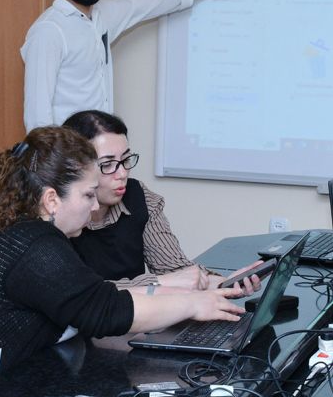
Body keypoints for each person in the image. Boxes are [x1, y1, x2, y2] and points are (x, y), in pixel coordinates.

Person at [0, 126, 244, 370]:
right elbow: (107, 311)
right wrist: (193, 304)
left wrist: (187, 294)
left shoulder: (8, 228)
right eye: (88, 195)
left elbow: (94, 298)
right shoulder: (36, 246)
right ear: (51, 199)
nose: (94, 207)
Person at [20, 0, 241, 130]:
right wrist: (51, 161)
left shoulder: (102, 15)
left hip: (101, 151)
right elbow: (37, 117)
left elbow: (146, 3)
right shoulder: (49, 31)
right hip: (66, 157)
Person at [63, 109, 261, 292]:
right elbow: (79, 293)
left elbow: (175, 270)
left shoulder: (138, 196)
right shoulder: (60, 216)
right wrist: (160, 282)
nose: (122, 173)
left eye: (126, 159)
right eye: (107, 164)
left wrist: (224, 284)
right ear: (75, 167)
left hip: (138, 315)